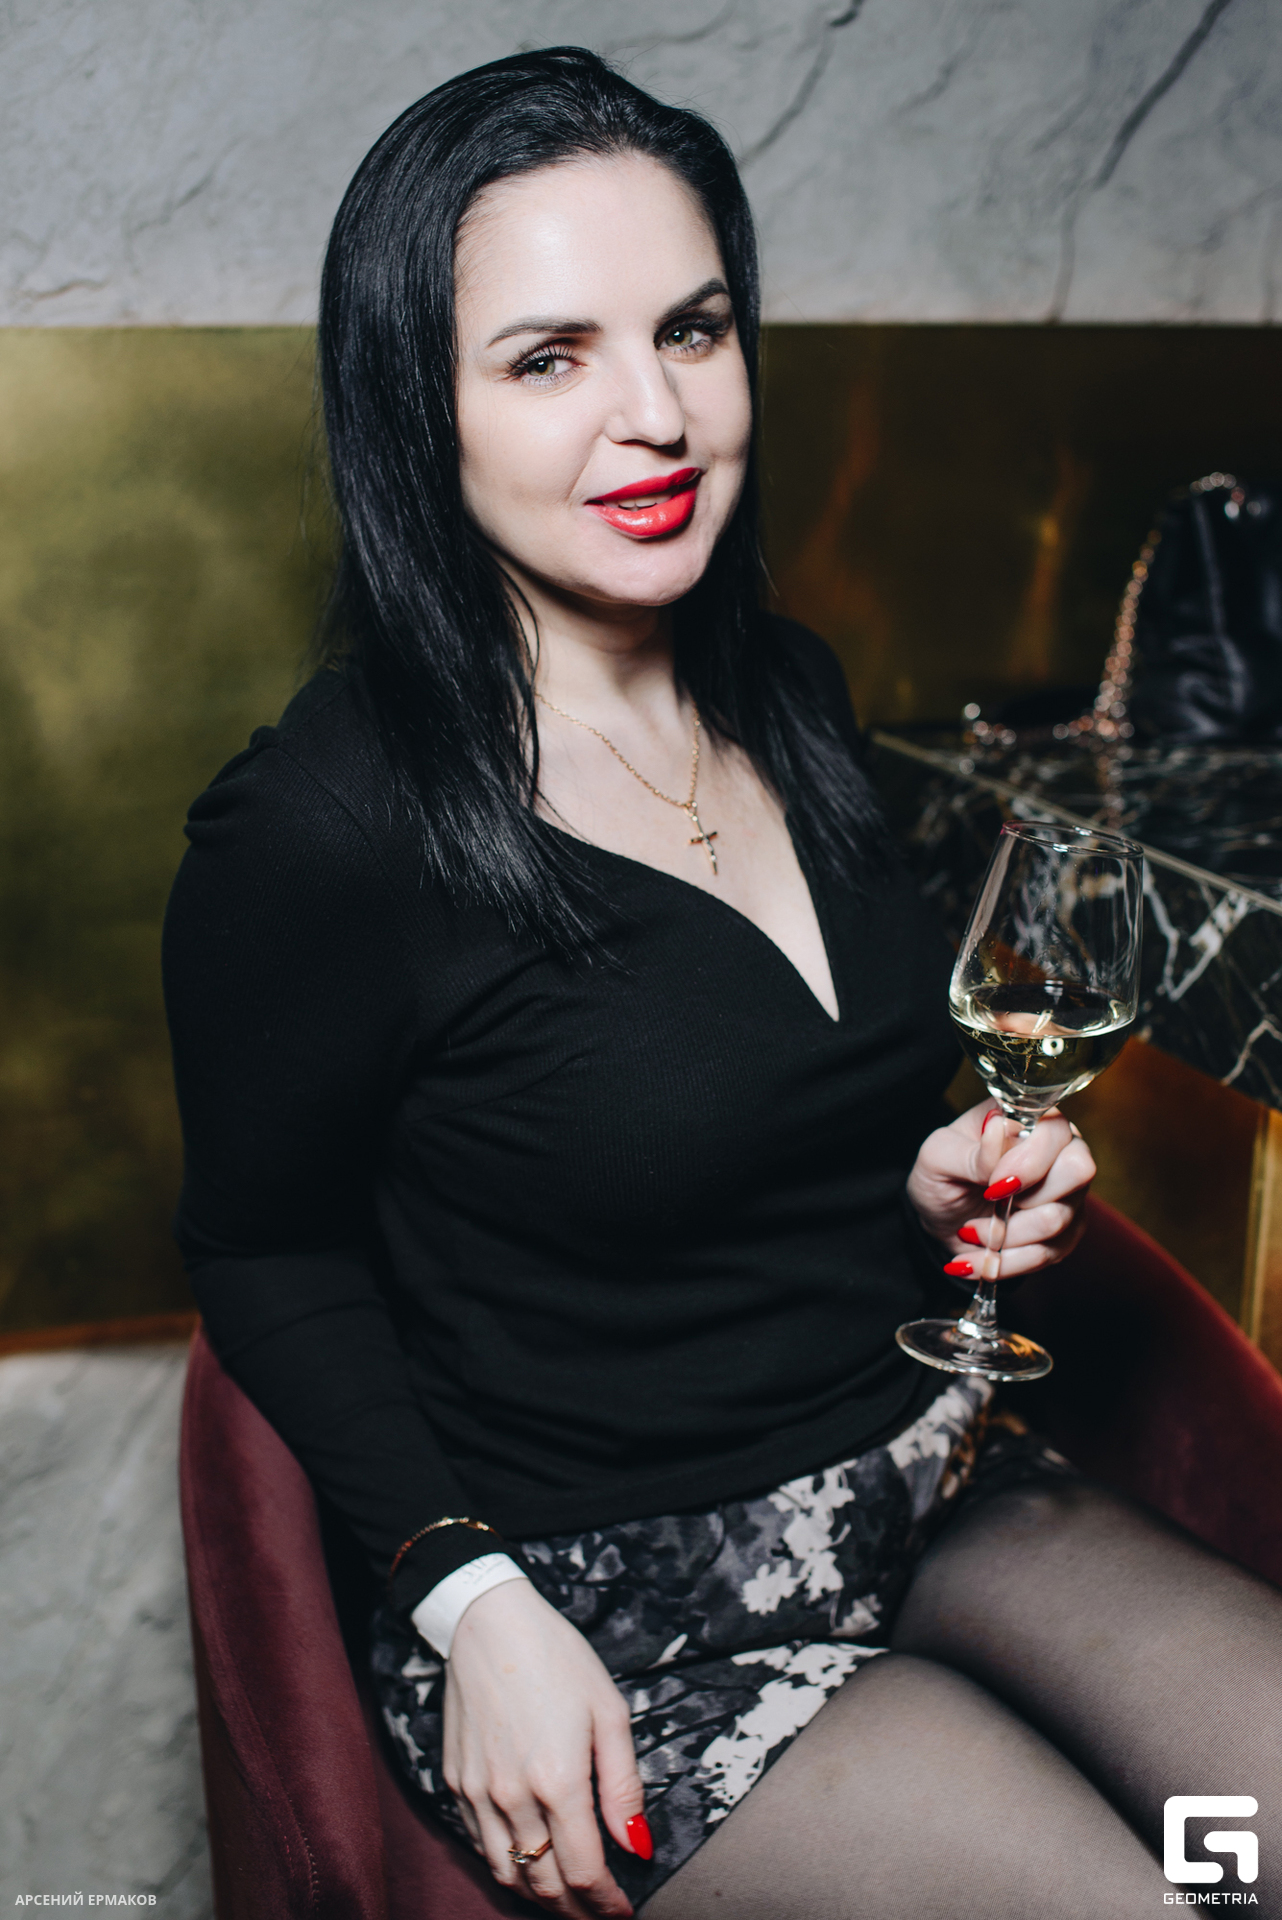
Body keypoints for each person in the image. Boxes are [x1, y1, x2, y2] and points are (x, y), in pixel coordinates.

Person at [163, 48, 1282, 1920]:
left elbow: (775, 1100)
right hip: (610, 1605)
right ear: (415, 408)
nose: (655, 414)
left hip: (930, 1480)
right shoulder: (326, 827)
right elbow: (265, 1251)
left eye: (690, 329)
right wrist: (470, 1603)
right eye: (548, 357)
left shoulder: (793, 692)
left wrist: (938, 1177)